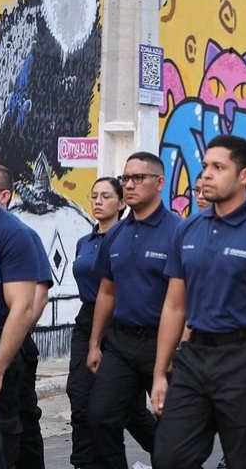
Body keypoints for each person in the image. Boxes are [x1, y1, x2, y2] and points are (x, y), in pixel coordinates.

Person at [151, 135, 246, 468]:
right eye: (205, 167)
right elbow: (174, 306)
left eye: (218, 167)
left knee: (244, 461)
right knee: (169, 458)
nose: (206, 176)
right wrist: (160, 374)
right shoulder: (188, 230)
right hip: (194, 357)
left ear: (245, 176)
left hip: (245, 360)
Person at [86, 152, 181, 467]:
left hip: (164, 343)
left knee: (170, 433)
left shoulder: (178, 232)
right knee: (100, 418)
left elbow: (186, 298)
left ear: (159, 182)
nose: (129, 184)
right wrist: (95, 343)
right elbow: (107, 291)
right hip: (122, 343)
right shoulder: (115, 233)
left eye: (138, 178)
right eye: (125, 178)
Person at [69, 177, 155, 468]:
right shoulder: (84, 241)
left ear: (121, 203)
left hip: (120, 321)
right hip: (86, 320)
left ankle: (169, 452)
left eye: (106, 196)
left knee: (127, 409)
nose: (97, 201)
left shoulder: (125, 239)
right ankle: (84, 462)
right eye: (94, 196)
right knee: (80, 396)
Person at [0, 163, 53, 469]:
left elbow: (35, 299)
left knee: (18, 421)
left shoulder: (21, 235)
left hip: (10, 340)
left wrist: (7, 348)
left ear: (4, 195)